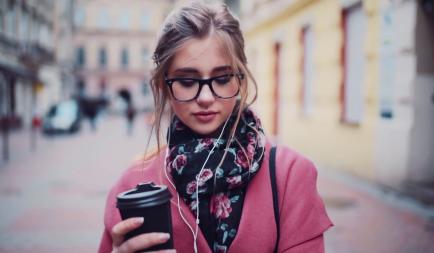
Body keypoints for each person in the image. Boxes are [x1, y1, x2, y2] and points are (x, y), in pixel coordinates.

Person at [98, 2, 332, 253]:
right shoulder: (133, 186)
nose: (206, 97)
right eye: (187, 81)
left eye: (221, 78)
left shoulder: (289, 176)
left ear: (240, 78)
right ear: (164, 85)